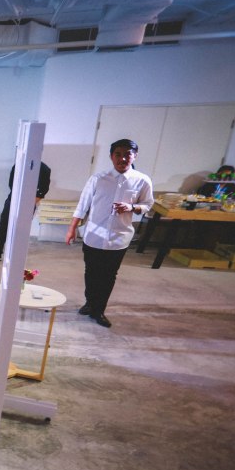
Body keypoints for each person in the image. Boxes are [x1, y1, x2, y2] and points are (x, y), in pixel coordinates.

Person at [65, 138, 154, 328]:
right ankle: (90, 302)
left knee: (109, 275)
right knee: (91, 272)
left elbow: (147, 204)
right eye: (118, 154)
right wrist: (72, 229)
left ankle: (99, 310)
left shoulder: (142, 180)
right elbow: (83, 205)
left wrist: (131, 207)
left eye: (128, 154)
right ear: (111, 156)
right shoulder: (98, 179)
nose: (123, 158)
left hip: (119, 238)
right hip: (94, 236)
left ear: (135, 156)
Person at [0, 161, 52, 260]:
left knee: (21, 229)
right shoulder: (19, 164)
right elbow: (11, 184)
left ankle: (16, 255)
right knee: (4, 225)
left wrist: (30, 202)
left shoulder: (44, 169)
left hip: (27, 202)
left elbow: (43, 189)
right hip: (13, 200)